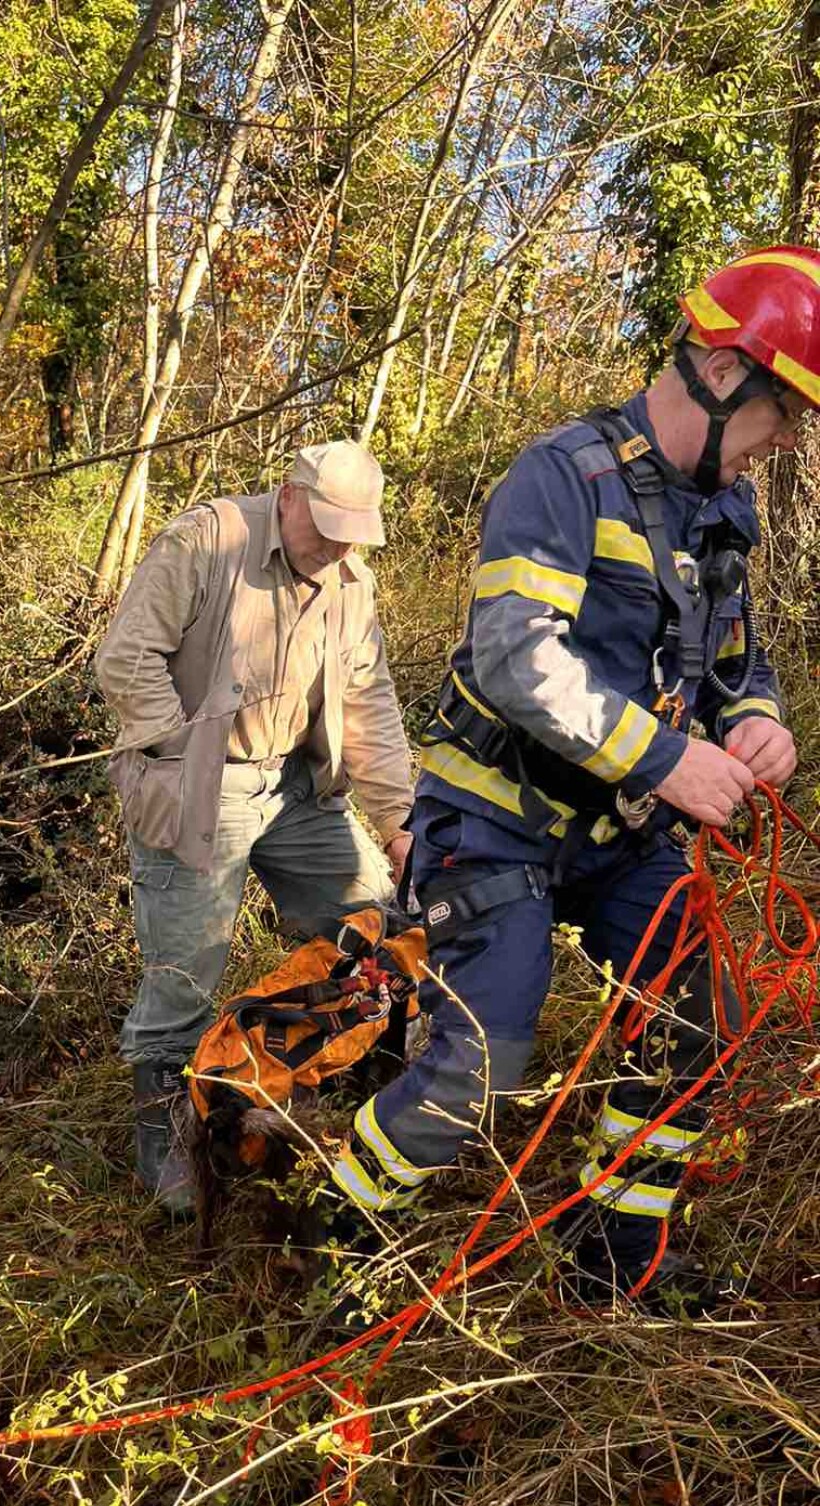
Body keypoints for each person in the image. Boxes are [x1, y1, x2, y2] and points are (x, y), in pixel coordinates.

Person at [332, 249, 816, 1308]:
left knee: (698, 1013)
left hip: (619, 836)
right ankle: (347, 1230)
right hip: (493, 822)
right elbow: (514, 657)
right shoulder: (563, 475)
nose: (780, 447)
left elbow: (735, 664)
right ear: (725, 373)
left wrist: (757, 723)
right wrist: (667, 757)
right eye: (780, 417)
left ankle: (615, 1263)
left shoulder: (720, 513)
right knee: (481, 1068)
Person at [96, 441, 415, 1215]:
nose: (338, 547)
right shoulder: (209, 540)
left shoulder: (351, 585)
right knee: (184, 978)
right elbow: (125, 656)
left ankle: (337, 1073)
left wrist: (402, 820)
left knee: (376, 922)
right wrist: (181, 756)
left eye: (354, 535)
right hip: (207, 782)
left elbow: (368, 706)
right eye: (330, 527)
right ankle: (170, 1142)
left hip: (300, 788)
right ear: (290, 495)